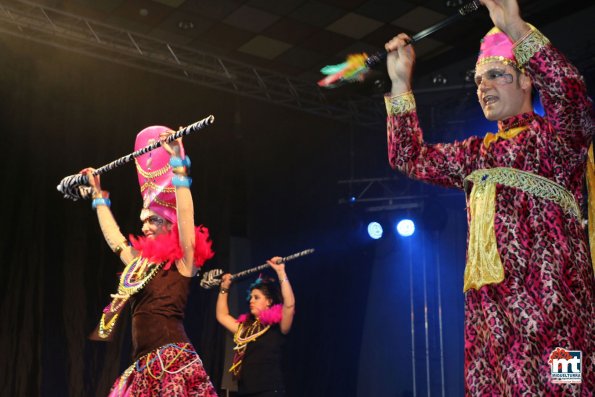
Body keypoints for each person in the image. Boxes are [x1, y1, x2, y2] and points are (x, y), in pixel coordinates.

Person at [384, 0, 594, 395]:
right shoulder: (475, 153)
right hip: (492, 319)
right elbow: (408, 157)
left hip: (558, 312)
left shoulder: (556, 141)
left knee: (570, 388)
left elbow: (569, 94)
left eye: (497, 75)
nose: (484, 87)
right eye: (480, 80)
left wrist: (515, 28)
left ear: (527, 80)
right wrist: (399, 83)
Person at [82, 126, 218, 396]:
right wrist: (98, 197)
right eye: (144, 220)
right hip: (143, 365)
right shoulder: (139, 264)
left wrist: (178, 164)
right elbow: (116, 241)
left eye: (153, 220)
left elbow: (186, 218)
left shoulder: (182, 261)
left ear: (170, 225)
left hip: (171, 362)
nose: (145, 226)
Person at [215, 258, 295, 397]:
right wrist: (224, 288)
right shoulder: (246, 328)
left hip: (270, 392)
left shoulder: (277, 326)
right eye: (250, 297)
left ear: (269, 301)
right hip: (245, 392)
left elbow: (289, 305)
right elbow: (222, 316)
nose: (251, 300)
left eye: (256, 297)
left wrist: (281, 272)